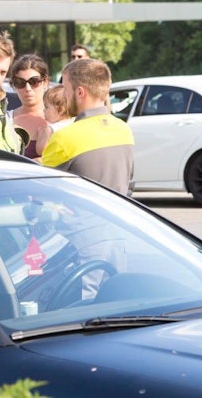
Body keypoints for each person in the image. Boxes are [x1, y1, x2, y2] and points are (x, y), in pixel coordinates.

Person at [41, 58, 133, 299]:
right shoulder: (123, 128)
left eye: (67, 89)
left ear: (80, 92)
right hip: (120, 236)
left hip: (81, 245)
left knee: (89, 309)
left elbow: (39, 194)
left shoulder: (65, 138)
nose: (65, 95)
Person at [9, 54, 52, 159]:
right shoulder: (6, 120)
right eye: (20, 83)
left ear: (45, 82)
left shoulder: (61, 119)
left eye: (34, 82)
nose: (28, 88)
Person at [35, 84, 72, 157]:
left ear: (61, 110)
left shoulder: (52, 129)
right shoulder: (74, 123)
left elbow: (41, 151)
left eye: (46, 107)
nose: (43, 110)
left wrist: (41, 134)